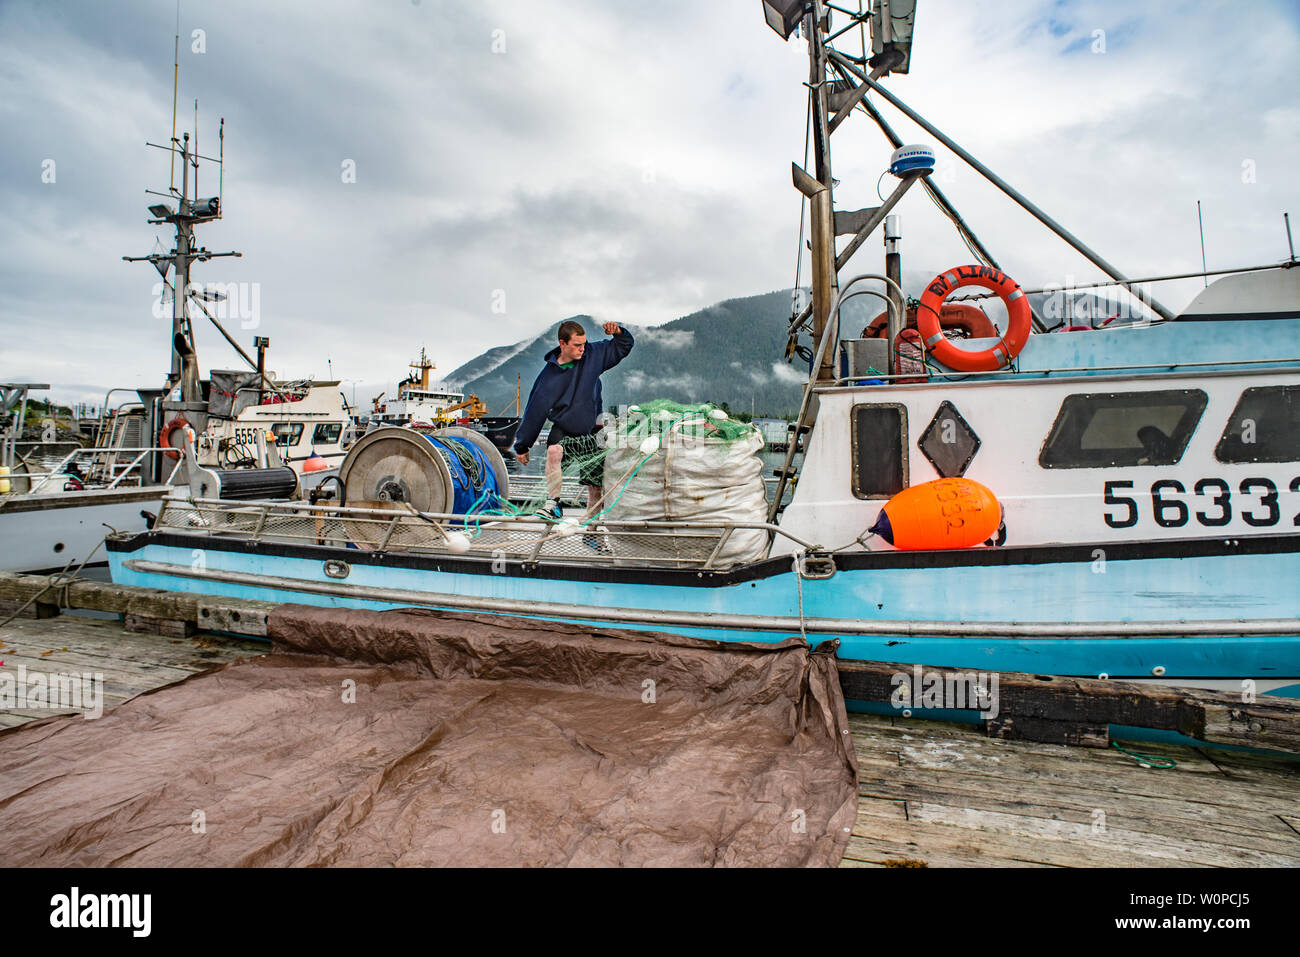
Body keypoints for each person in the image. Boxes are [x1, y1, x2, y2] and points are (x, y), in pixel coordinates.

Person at [513, 319, 634, 523]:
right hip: (565, 427)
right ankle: (553, 505)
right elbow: (535, 411)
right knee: (553, 451)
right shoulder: (548, 377)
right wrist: (523, 445)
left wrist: (619, 332)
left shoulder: (593, 355)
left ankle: (591, 531)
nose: (582, 349)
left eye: (584, 344)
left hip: (594, 429)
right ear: (562, 344)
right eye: (577, 345)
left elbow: (623, 346)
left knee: (595, 484)